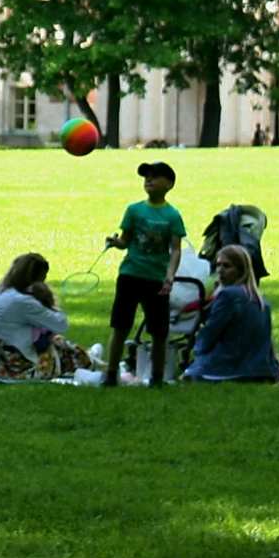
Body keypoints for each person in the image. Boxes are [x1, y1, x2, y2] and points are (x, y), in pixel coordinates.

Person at [101, 161, 186, 388]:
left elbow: (175, 249)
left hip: (156, 279)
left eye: (155, 176)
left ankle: (157, 378)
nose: (148, 180)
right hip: (130, 274)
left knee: (159, 332)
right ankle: (110, 374)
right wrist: (115, 242)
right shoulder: (134, 210)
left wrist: (169, 275)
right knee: (121, 326)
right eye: (146, 176)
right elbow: (126, 241)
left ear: (169, 184)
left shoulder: (172, 215)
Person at [0, 252, 89, 380]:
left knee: (53, 341)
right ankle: (90, 361)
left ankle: (89, 357)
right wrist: (48, 301)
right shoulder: (24, 301)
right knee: (59, 343)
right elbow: (61, 324)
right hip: (18, 366)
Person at [188, 245, 279, 382]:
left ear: (240, 271)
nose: (220, 271)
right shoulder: (262, 301)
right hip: (261, 369)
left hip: (229, 366)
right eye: (218, 265)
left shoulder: (228, 295)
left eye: (226, 266)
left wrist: (198, 353)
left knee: (191, 372)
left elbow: (211, 331)